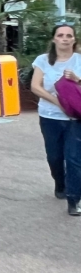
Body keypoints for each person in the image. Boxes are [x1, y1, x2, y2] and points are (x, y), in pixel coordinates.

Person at [29, 23, 81, 216]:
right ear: (54, 39)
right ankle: (60, 183)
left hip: (75, 118)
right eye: (60, 35)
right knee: (54, 157)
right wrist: (59, 102)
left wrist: (77, 80)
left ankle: (74, 199)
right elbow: (35, 86)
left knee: (74, 159)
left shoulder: (79, 61)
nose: (65, 39)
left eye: (69, 35)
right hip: (49, 116)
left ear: (74, 39)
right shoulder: (43, 60)